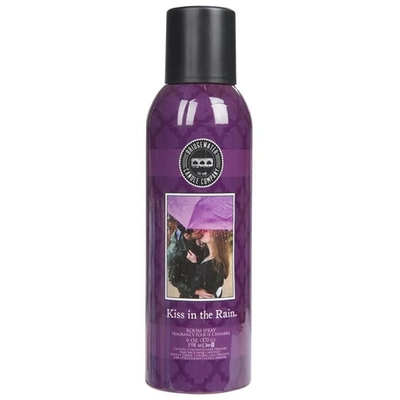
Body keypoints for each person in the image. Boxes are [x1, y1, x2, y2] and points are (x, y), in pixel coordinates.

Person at [167, 223, 210, 298]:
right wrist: (195, 292)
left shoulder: (201, 237)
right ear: (187, 235)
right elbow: (174, 280)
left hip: (206, 282)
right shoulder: (174, 253)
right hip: (190, 293)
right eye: (198, 232)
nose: (202, 232)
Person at [186, 230, 230, 299]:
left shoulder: (211, 266)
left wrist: (193, 263)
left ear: (213, 237)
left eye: (206, 231)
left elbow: (192, 284)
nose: (203, 231)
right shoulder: (215, 258)